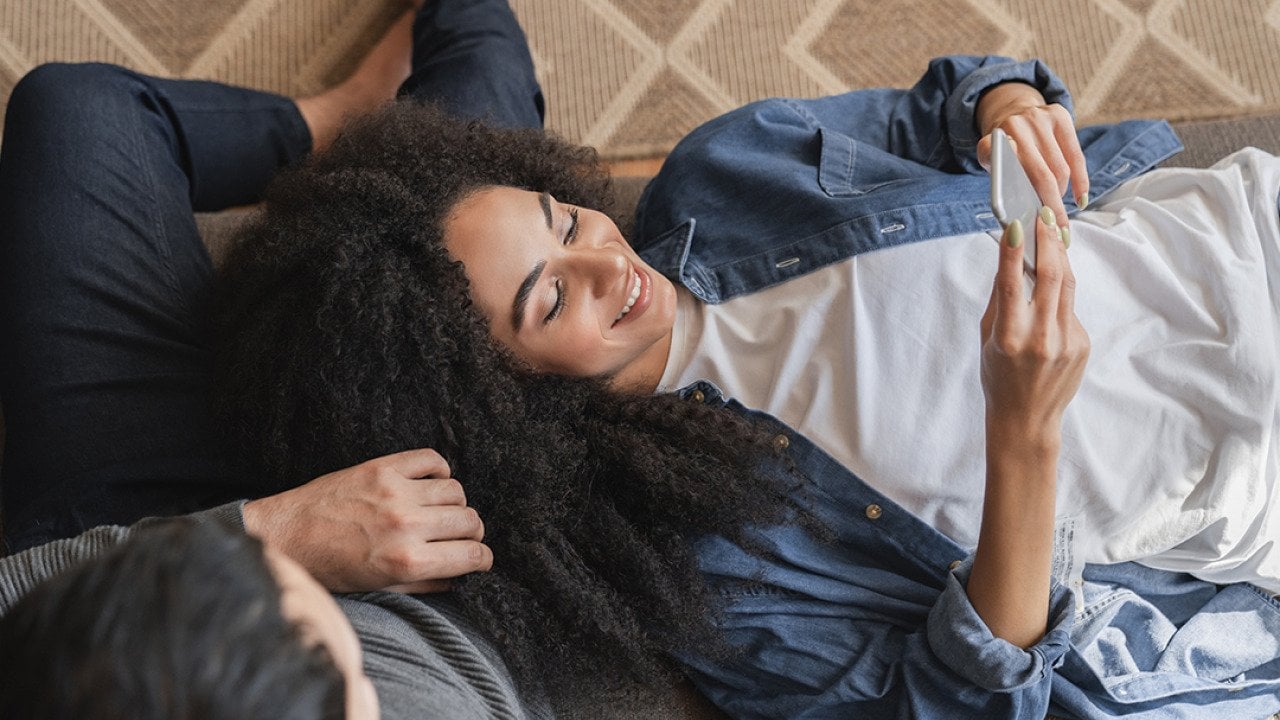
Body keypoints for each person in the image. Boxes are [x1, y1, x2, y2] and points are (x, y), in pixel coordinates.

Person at [211, 51, 1280, 720]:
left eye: (566, 219)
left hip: (1244, 228)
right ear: (499, 404)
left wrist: (1004, 104)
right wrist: (1022, 439)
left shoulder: (723, 169)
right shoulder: (711, 574)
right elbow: (945, 705)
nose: (606, 264)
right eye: (551, 302)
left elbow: (945, 105)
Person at [0, 1, 549, 718]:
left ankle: (339, 117)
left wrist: (277, 531)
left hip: (133, 562)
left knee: (76, 106)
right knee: (480, 182)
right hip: (433, 543)